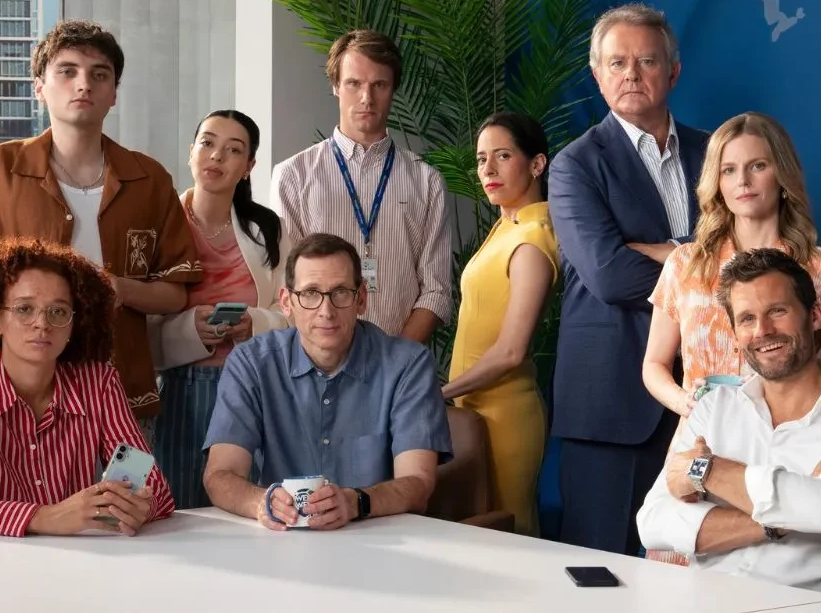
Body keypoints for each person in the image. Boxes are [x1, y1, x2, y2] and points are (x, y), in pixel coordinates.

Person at [0, 19, 200, 426]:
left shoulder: (150, 179)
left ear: (113, 94)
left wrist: (120, 288)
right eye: (67, 71)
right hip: (10, 399)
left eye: (99, 75)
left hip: (120, 396)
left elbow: (176, 294)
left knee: (127, 492)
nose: (84, 84)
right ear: (39, 87)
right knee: (20, 493)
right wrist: (20, 307)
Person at [637, 248, 821, 597]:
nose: (762, 331)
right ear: (735, 332)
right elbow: (653, 523)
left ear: (813, 316)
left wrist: (704, 470)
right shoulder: (714, 407)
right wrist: (781, 519)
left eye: (777, 311)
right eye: (746, 319)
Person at [548, 3, 710, 554]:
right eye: (616, 63)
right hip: (611, 407)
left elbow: (745, 262)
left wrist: (663, 252)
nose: (631, 75)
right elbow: (610, 275)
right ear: (596, 75)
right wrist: (697, 261)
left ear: (673, 71)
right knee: (603, 568)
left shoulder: (716, 153)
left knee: (694, 565)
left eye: (646, 61)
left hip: (706, 397)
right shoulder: (575, 166)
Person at [0, 238, 176, 536]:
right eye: (25, 309)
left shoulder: (98, 383)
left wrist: (140, 505)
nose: (42, 324)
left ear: (74, 324)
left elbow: (153, 486)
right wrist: (40, 518)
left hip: (79, 562)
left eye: (59, 311)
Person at [201, 232, 452, 531]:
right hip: (282, 542)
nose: (326, 310)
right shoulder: (251, 364)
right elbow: (220, 475)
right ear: (286, 302)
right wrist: (261, 502)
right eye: (310, 293)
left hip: (380, 540)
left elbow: (419, 484)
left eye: (340, 292)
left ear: (361, 299)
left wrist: (356, 502)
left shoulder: (408, 365)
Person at [644, 111, 821, 414]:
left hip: (790, 444)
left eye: (758, 166)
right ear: (716, 181)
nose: (742, 181)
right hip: (702, 443)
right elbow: (654, 365)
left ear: (782, 175)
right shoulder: (685, 264)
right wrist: (685, 404)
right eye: (728, 170)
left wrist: (807, 414)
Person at [269, 29, 452, 344]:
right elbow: (290, 286)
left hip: (398, 367)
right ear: (336, 86)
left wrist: (394, 363)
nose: (367, 98)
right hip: (317, 364)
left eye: (379, 85)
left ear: (393, 89)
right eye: (354, 83)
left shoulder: (426, 180)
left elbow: (436, 290)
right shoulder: (293, 175)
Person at [149, 111, 291, 509]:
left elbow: (296, 311)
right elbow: (135, 323)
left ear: (248, 167)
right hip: (183, 387)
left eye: (233, 150)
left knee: (251, 508)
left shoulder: (268, 229)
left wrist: (255, 323)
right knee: (181, 508)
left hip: (255, 384)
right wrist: (190, 330)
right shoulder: (158, 227)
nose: (217, 157)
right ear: (191, 152)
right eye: (207, 144)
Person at [441, 112, 559, 536]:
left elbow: (511, 351)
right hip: (471, 408)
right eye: (480, 158)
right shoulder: (506, 225)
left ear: (537, 164)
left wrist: (441, 394)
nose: (487, 170)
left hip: (506, 414)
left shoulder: (532, 237)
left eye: (503, 156)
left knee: (513, 533)